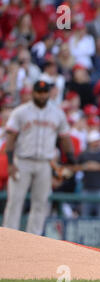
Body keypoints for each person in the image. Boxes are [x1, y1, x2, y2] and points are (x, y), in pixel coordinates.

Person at [2, 80, 75, 235]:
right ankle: (8, 238)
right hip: (22, 161)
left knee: (40, 203)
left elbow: (65, 137)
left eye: (44, 92)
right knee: (15, 201)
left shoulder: (57, 113)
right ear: (33, 93)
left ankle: (33, 239)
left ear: (49, 93)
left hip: (45, 163)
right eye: (39, 92)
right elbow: (10, 139)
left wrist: (70, 159)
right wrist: (10, 163)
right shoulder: (21, 112)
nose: (42, 95)